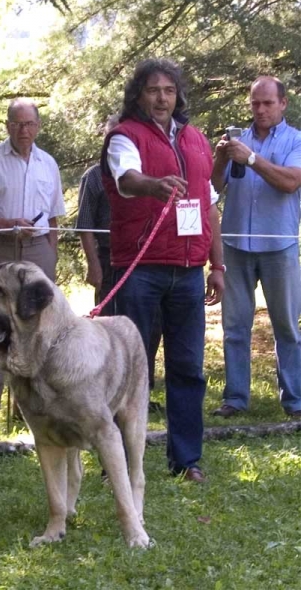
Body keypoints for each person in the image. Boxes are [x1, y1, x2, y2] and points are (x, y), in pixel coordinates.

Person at [101, 57, 225, 483]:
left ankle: (187, 461)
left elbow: (208, 205)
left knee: (188, 368)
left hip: (189, 272)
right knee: (131, 368)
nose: (161, 98)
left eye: (169, 90)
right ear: (139, 95)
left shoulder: (196, 140)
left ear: (178, 96)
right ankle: (115, 457)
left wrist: (218, 265)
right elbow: (126, 179)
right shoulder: (124, 136)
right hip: (140, 271)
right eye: (153, 90)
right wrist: (152, 185)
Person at [0, 98, 66, 428]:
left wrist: (51, 251)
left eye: (29, 124)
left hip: (38, 252)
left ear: (38, 126)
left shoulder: (48, 163)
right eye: (17, 124)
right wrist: (7, 224)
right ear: (7, 126)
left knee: (36, 327)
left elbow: (54, 215)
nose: (24, 130)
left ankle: (33, 408)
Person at [211, 76, 301, 420]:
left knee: (286, 326)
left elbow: (291, 182)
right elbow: (212, 189)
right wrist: (221, 159)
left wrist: (251, 160)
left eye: (267, 103)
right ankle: (235, 398)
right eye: (255, 104)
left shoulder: (296, 140)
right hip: (235, 244)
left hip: (279, 246)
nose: (260, 110)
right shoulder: (238, 140)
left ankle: (294, 400)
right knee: (234, 326)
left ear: (283, 104)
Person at [76, 114, 164, 408]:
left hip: (146, 258)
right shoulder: (93, 177)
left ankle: (142, 392)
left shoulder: (146, 176)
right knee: (108, 329)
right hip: (109, 259)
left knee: (148, 328)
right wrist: (94, 265)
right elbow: (85, 225)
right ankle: (108, 393)